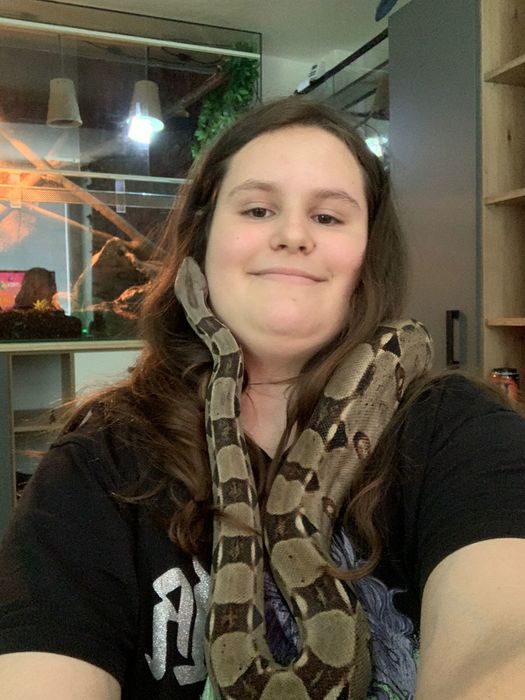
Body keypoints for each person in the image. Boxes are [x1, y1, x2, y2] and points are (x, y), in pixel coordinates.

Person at [0, 96, 524, 700]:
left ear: (367, 257)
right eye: (257, 209)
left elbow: (504, 640)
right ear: (201, 243)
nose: (293, 235)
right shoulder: (98, 465)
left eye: (328, 217)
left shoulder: (459, 431)